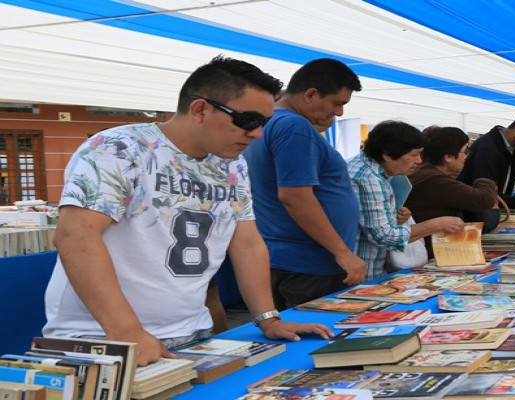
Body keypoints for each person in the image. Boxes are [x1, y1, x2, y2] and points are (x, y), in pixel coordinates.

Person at [43, 56, 332, 366]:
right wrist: (127, 331)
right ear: (200, 109)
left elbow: (246, 243)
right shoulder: (118, 148)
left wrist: (268, 319)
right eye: (248, 120)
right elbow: (76, 236)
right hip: (103, 338)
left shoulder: (231, 164)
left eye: (263, 123)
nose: (257, 133)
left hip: (192, 336)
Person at [243, 58, 364, 310]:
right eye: (337, 103)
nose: (339, 112)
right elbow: (295, 196)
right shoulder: (293, 126)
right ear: (311, 94)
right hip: (309, 265)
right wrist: (343, 252)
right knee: (320, 338)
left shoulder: (269, 122)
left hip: (286, 258)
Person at [348, 121, 465, 280]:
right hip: (362, 274)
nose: (419, 161)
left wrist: (395, 215)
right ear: (387, 154)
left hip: (368, 267)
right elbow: (384, 236)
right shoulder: (368, 178)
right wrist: (436, 225)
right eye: (413, 155)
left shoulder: (371, 168)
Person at [405, 126, 497, 255]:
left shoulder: (426, 173)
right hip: (431, 252)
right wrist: (485, 181)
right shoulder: (434, 180)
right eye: (463, 152)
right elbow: (484, 200)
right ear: (448, 156)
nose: (465, 157)